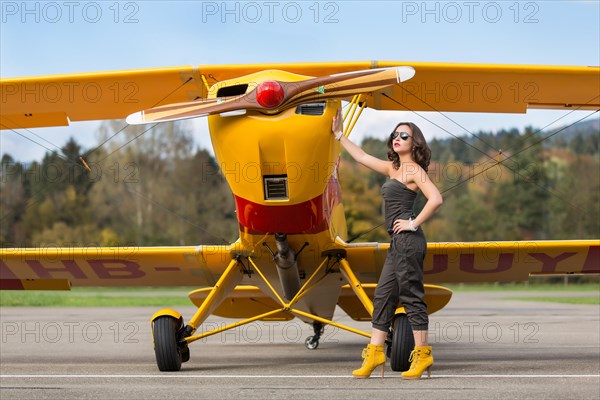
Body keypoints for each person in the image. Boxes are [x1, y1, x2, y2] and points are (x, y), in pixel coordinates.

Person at [331, 110, 443, 379]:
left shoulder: (414, 170)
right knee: (382, 297)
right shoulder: (393, 168)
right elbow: (361, 157)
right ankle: (375, 352)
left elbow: (436, 198)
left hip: (409, 240)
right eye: (395, 133)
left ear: (414, 142)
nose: (397, 137)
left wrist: (412, 223)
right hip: (397, 243)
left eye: (404, 135)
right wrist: (338, 135)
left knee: (411, 296)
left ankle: (423, 355)